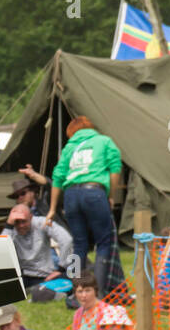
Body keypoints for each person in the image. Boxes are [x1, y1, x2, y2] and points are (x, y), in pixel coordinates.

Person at [46, 116, 122, 297]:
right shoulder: (104, 141)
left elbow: (57, 177)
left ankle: (74, 291)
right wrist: (110, 195)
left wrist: (52, 209)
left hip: (71, 195)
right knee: (103, 243)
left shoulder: (69, 147)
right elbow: (115, 169)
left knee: (78, 245)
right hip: (94, 192)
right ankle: (99, 293)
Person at [4, 203, 72, 294]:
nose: (21, 225)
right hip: (22, 277)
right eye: (17, 222)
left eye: (23, 221)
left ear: (31, 217)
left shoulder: (42, 222)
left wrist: (61, 268)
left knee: (75, 276)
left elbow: (66, 240)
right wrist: (8, 225)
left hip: (46, 276)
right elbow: (0, 253)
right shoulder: (10, 230)